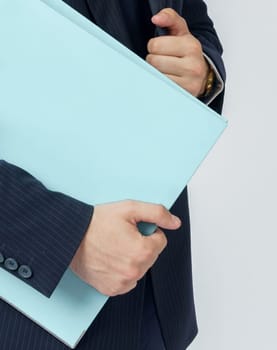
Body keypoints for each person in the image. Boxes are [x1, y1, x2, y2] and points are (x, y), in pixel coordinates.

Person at [0, 1, 226, 349]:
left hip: (156, 298)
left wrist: (200, 71)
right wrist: (64, 235)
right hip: (24, 312)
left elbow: (195, 23)